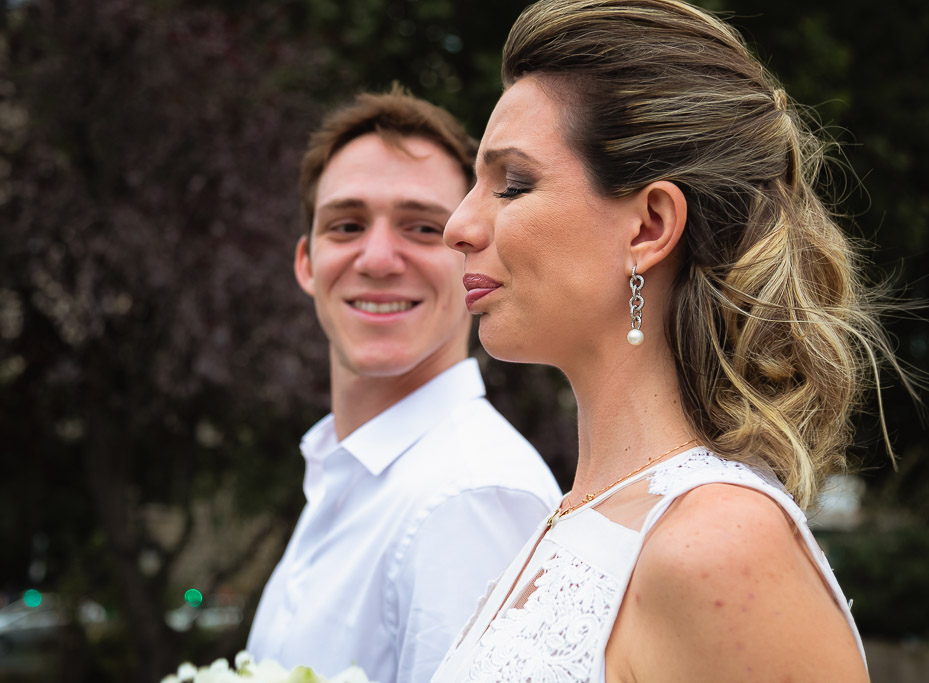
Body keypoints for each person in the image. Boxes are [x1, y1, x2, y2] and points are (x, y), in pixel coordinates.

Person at [433, 1, 893, 680]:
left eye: (513, 184)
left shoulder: (720, 545)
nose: (459, 226)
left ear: (649, 226)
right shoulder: (571, 516)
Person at [247, 86, 562, 683]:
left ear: (472, 256)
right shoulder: (343, 477)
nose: (379, 259)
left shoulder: (470, 496)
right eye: (346, 225)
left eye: (421, 227)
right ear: (307, 263)